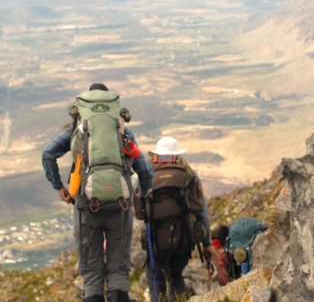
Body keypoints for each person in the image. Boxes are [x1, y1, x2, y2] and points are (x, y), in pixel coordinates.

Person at [42, 83, 153, 302]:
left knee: (92, 273)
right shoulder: (123, 131)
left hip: (86, 208)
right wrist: (142, 194)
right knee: (119, 270)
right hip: (120, 208)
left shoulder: (77, 130)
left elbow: (48, 153)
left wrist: (59, 187)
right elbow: (146, 172)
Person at [139, 136, 214, 302]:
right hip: (183, 239)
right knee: (176, 275)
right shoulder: (190, 174)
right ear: (177, 154)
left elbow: (138, 212)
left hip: (156, 242)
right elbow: (201, 210)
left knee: (155, 278)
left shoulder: (145, 174)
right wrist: (207, 242)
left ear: (157, 154)